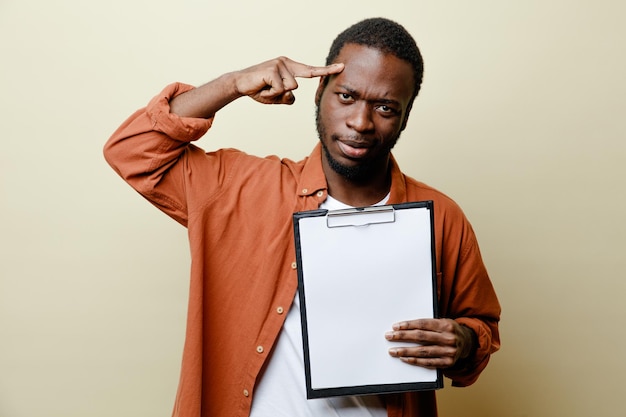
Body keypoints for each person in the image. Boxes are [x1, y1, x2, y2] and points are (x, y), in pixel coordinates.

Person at [104, 17, 500, 417]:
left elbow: (480, 333)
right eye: (346, 96)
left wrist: (464, 342)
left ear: (406, 115)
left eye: (384, 107)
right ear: (319, 92)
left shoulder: (441, 218)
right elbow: (132, 150)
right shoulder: (240, 189)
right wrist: (232, 84)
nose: (361, 123)